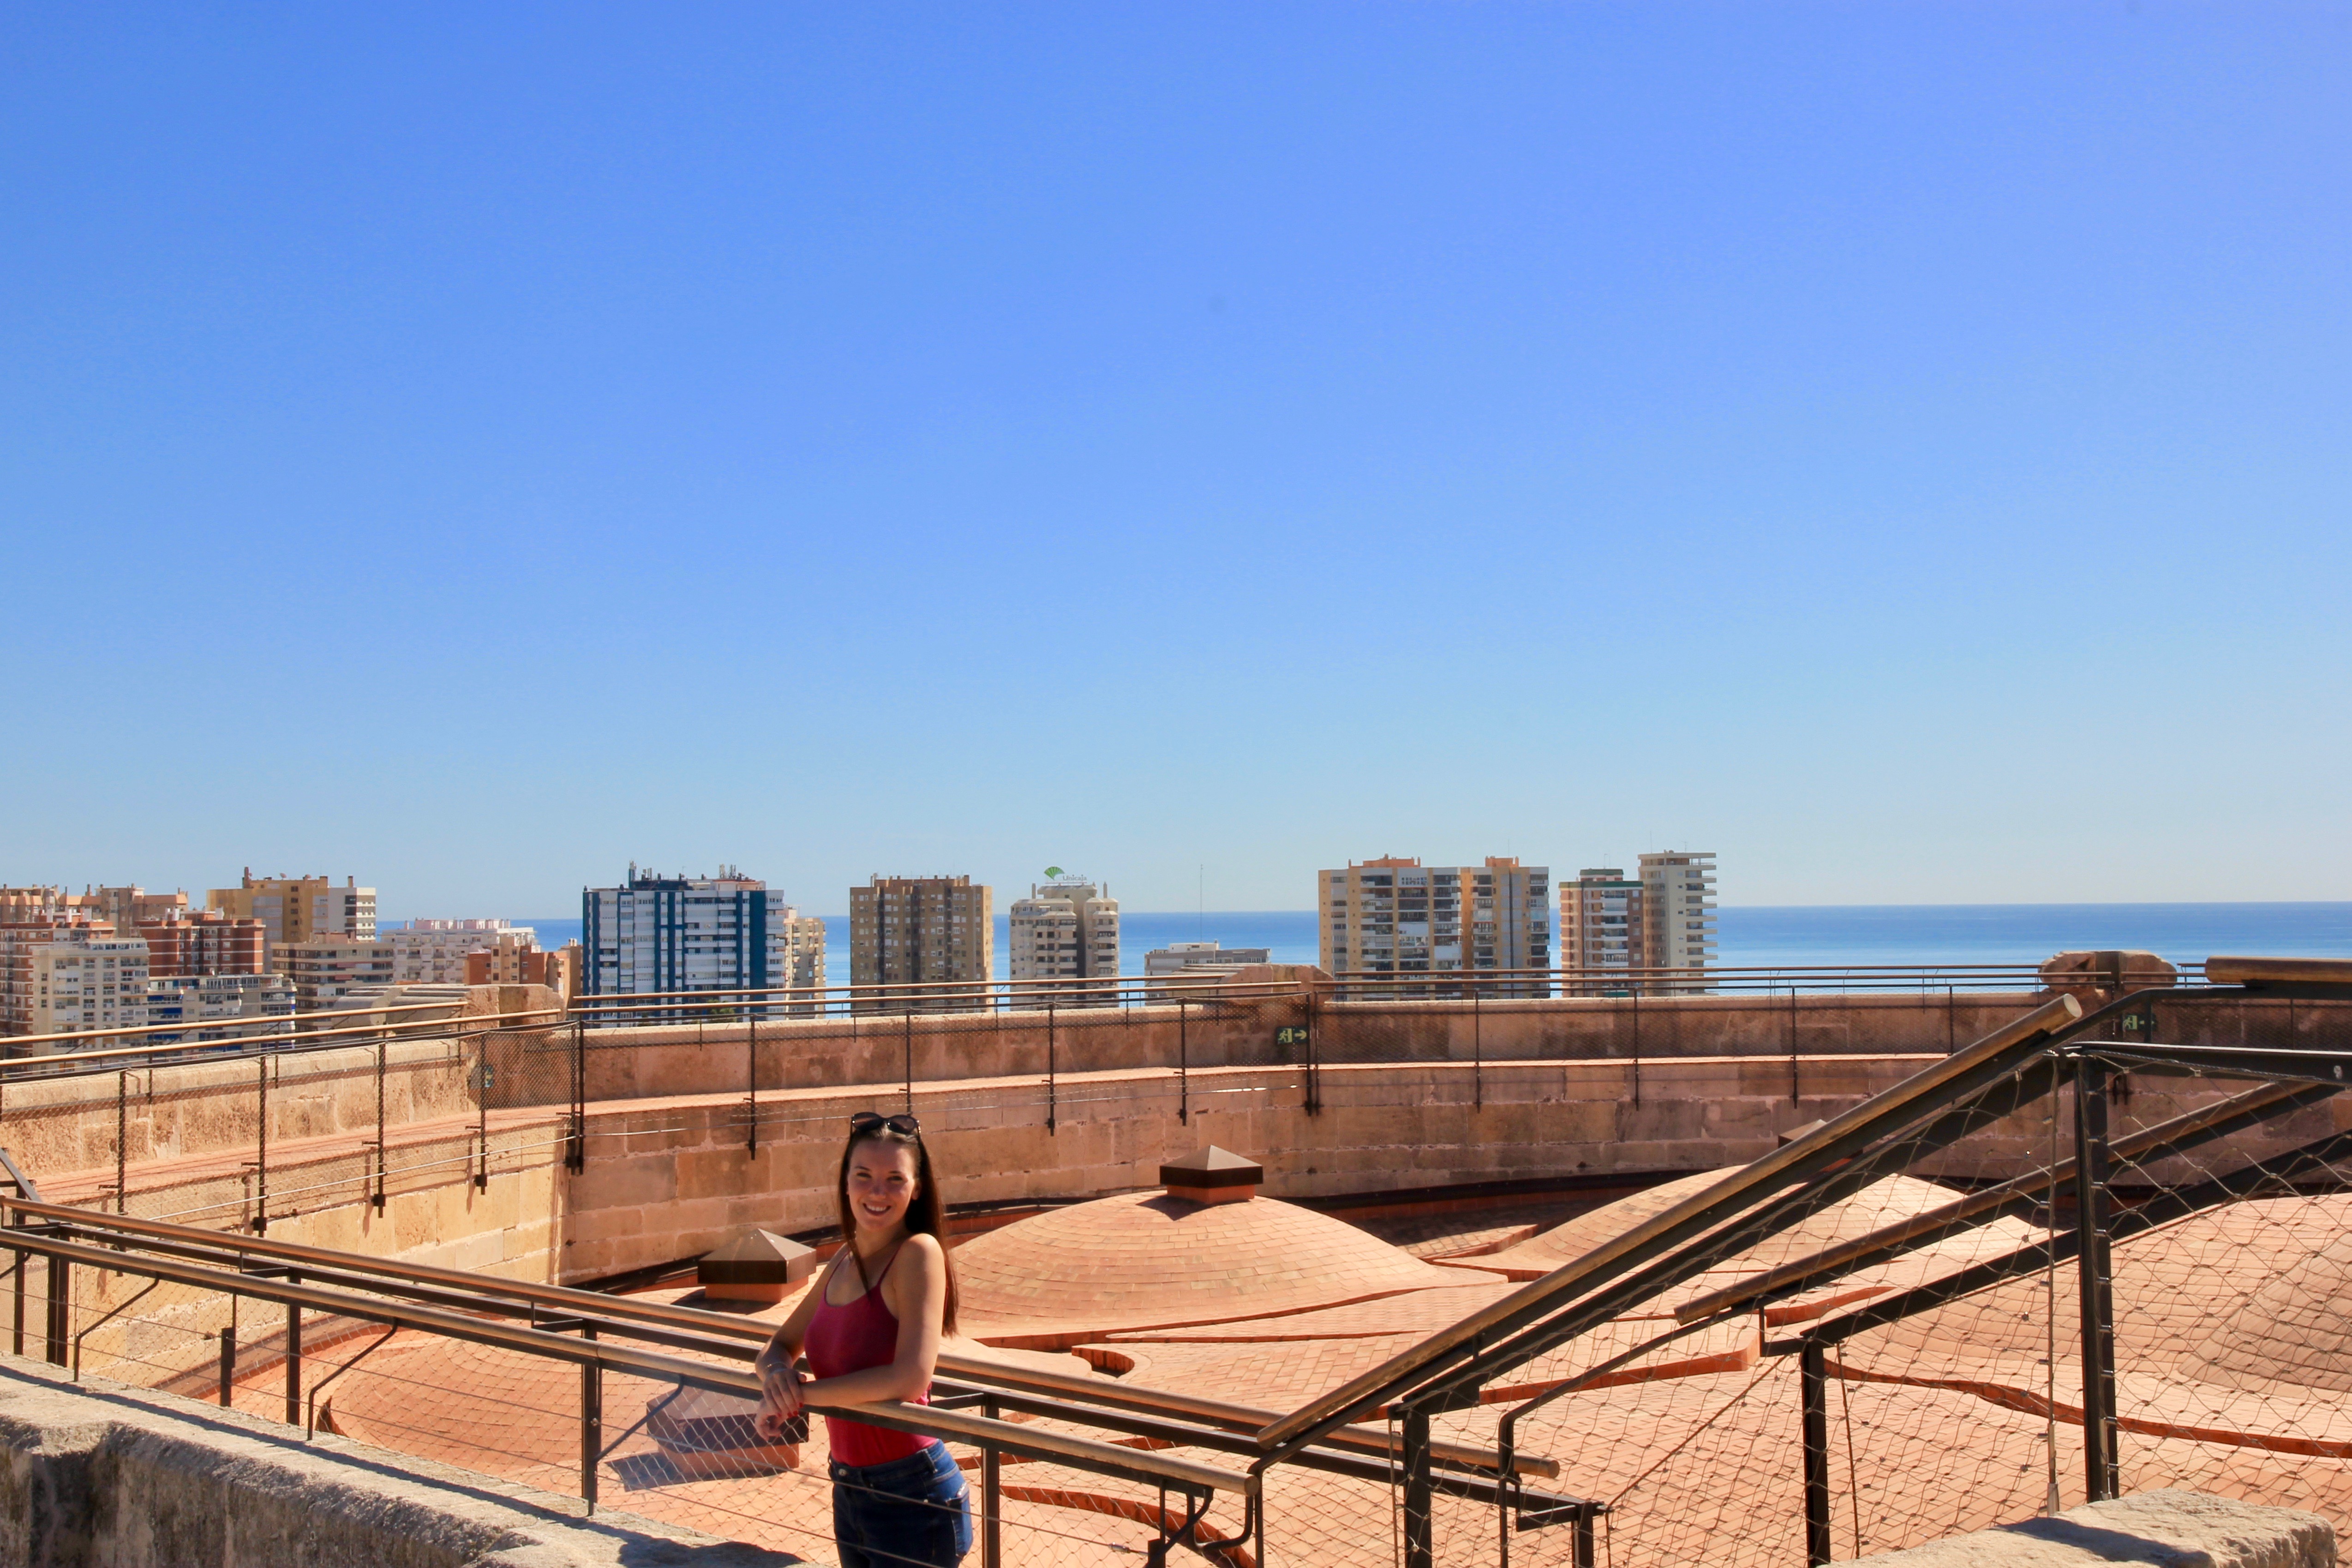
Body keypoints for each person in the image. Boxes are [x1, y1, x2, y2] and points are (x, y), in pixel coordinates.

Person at [755, 1109, 971, 1567]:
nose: (878, 1191)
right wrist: (778, 1379)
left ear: (917, 1188)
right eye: (864, 1175)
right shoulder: (841, 1263)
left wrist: (803, 1396)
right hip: (850, 1486)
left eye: (895, 1178)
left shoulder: (918, 1253)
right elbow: (778, 1347)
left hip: (912, 1493)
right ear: (846, 1183)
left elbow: (912, 1376)